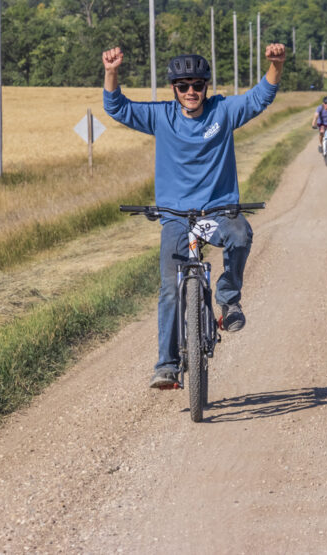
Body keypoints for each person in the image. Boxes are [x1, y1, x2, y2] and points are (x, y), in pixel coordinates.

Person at [102, 43, 287, 388]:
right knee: (170, 289)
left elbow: (261, 97)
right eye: (183, 86)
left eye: (197, 85)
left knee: (240, 234)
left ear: (206, 86)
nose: (191, 91)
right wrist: (111, 72)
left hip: (217, 211)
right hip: (175, 216)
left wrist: (276, 65)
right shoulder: (161, 116)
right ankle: (167, 365)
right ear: (174, 89)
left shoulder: (222, 112)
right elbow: (117, 107)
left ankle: (228, 300)